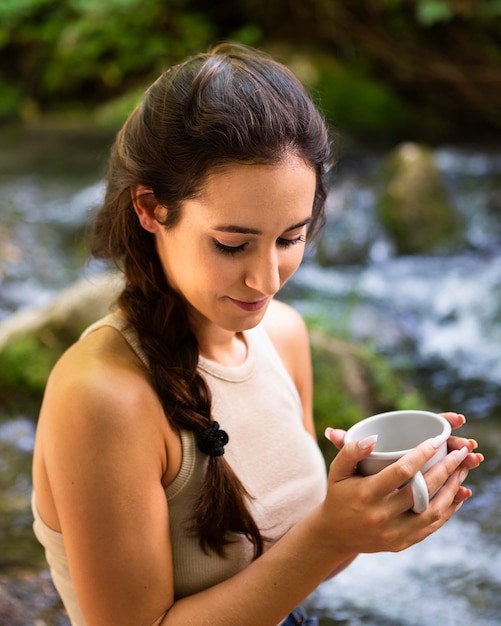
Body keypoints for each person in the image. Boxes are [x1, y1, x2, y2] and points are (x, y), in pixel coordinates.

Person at [31, 43, 482, 626]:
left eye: (291, 238)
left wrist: (367, 518)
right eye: (231, 243)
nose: (266, 279)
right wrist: (325, 538)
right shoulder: (104, 397)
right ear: (150, 209)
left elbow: (286, 570)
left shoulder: (285, 336)